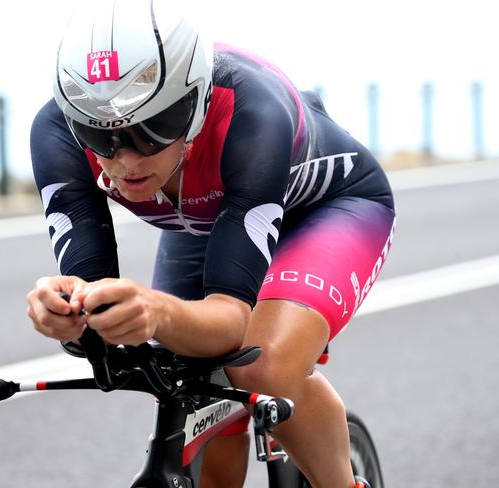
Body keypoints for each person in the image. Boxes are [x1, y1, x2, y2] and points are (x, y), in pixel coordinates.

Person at [26, 1, 394, 486]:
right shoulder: (56, 132)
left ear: (196, 102)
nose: (126, 160)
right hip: (213, 222)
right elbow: (92, 294)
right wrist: (67, 312)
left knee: (262, 367)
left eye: (154, 127)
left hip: (329, 209)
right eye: (99, 135)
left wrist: (156, 313)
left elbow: (231, 321)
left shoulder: (252, 112)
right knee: (193, 383)